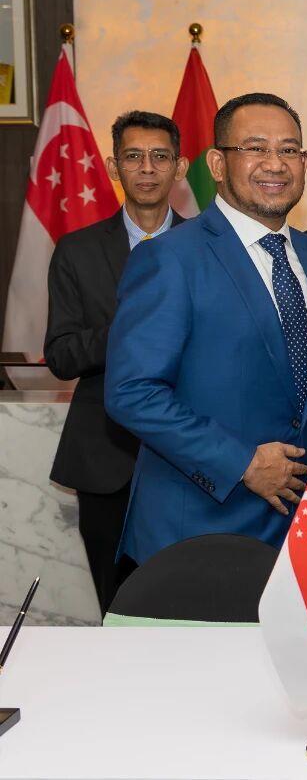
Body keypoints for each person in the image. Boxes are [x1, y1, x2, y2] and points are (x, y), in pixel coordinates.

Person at [105, 92, 307, 568]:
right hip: (197, 528)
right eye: (255, 148)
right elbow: (132, 392)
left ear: (304, 164)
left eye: (289, 150)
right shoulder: (169, 258)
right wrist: (242, 463)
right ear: (218, 164)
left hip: (295, 527)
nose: (275, 164)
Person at [45, 110, 187, 612]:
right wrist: (130, 330)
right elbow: (61, 354)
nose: (147, 168)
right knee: (116, 605)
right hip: (104, 458)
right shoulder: (76, 250)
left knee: (185, 603)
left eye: (160, 156)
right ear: (113, 166)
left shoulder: (209, 246)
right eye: (134, 156)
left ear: (180, 167)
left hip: (188, 459)